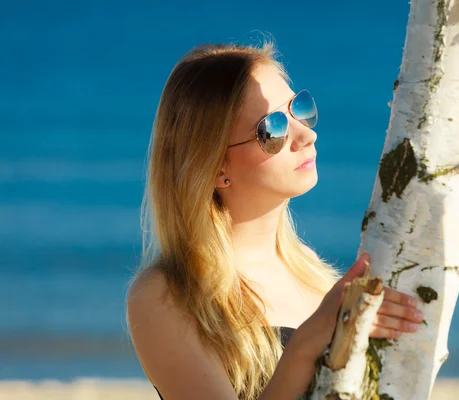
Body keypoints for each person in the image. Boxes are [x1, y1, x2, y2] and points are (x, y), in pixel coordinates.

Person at [126, 40, 424, 400]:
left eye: (301, 109)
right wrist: (303, 347)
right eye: (273, 130)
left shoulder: (314, 273)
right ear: (215, 165)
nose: (307, 135)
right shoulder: (166, 295)